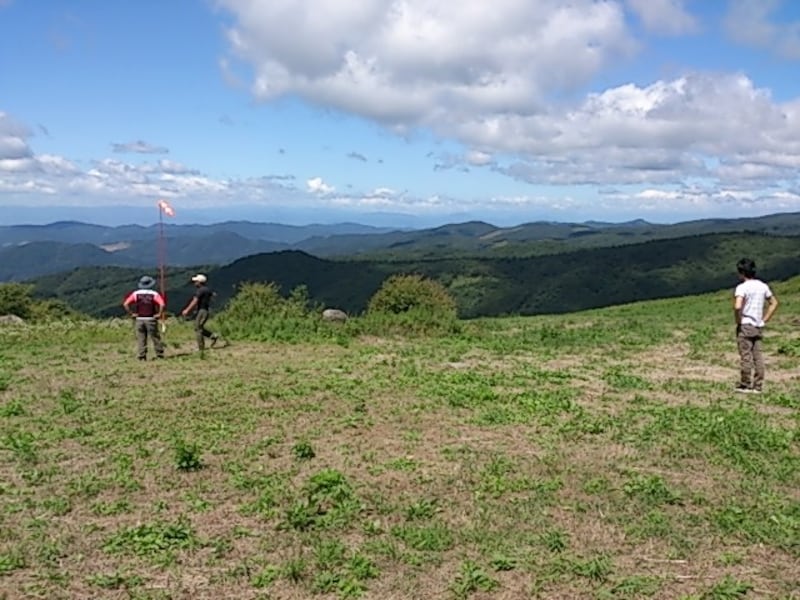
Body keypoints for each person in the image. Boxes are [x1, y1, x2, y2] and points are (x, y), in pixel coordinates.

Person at [733, 258, 778, 393]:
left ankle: (745, 384)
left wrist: (738, 320)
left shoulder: (742, 287)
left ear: (741, 273)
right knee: (758, 356)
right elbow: (774, 303)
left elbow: (737, 306)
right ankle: (758, 385)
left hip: (746, 324)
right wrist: (764, 320)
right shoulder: (763, 286)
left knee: (746, 356)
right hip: (758, 325)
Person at [122, 275, 166, 360]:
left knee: (141, 338)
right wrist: (159, 314)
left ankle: (142, 355)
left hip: (139, 319)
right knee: (155, 337)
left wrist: (131, 313)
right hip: (150, 318)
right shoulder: (154, 294)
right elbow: (162, 304)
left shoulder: (136, 294)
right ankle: (159, 354)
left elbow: (125, 304)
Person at [180, 273, 222, 352]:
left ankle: (201, 348)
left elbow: (195, 301)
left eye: (196, 281)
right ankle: (213, 336)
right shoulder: (207, 289)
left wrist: (187, 310)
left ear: (199, 282)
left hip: (202, 311)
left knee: (198, 328)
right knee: (199, 327)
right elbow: (213, 296)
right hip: (205, 310)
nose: (194, 283)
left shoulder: (200, 291)